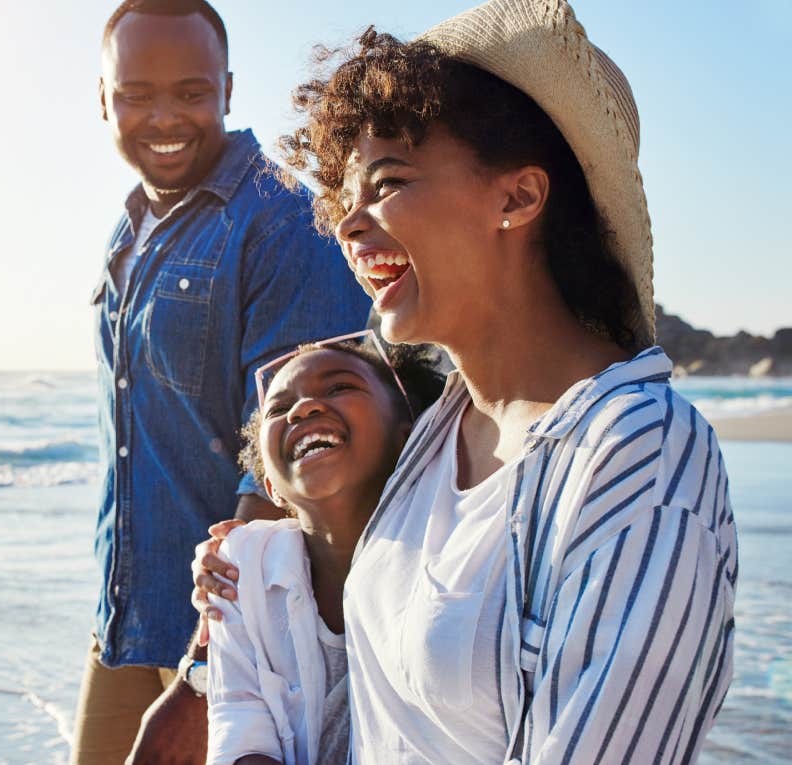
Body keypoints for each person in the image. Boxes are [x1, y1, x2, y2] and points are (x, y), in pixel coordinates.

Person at [191, 1, 738, 762]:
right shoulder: (440, 430)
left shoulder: (637, 457)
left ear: (516, 197)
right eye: (344, 202)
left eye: (385, 183)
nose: (348, 226)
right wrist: (252, 567)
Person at [77, 1, 373, 762]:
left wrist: (206, 668)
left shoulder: (280, 220)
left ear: (229, 90)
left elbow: (293, 460)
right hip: (127, 621)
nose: (164, 115)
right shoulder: (132, 227)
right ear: (104, 98)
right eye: (138, 93)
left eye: (191, 91)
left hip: (233, 648)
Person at [207, 335, 444, 765]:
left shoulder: (448, 561)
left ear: (408, 437)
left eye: (340, 387)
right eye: (278, 409)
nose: (303, 408)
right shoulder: (241, 566)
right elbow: (239, 722)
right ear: (270, 488)